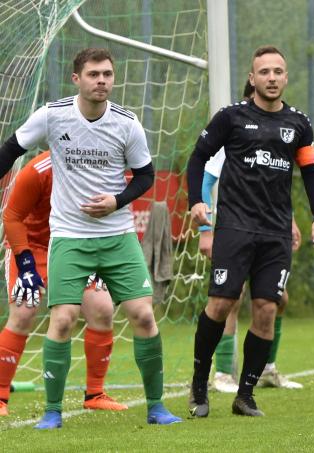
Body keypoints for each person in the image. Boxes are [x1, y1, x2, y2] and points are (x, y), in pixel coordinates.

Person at [0, 48, 182, 428]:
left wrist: (117, 201)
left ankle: (156, 407)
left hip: (118, 237)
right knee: (61, 320)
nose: (102, 81)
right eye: (94, 74)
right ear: (77, 79)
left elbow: (146, 177)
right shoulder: (53, 117)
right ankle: (51, 413)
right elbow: (10, 150)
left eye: (108, 74)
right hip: (69, 238)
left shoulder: (127, 124)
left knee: (144, 315)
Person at [186, 45, 314, 418]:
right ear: (252, 78)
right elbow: (198, 157)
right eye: (264, 72)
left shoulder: (298, 124)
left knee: (266, 308)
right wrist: (195, 203)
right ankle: (200, 383)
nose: (271, 78)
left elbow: (311, 173)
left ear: (285, 77)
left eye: (278, 72)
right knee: (221, 304)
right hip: (234, 227)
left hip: (276, 232)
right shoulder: (231, 117)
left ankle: (245, 395)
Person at [0, 151, 130, 417]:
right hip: (30, 249)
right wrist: (25, 264)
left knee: (102, 308)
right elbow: (11, 218)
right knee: (24, 312)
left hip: (73, 248)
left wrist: (99, 256)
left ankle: (95, 394)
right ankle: (0, 396)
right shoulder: (38, 170)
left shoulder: (99, 167)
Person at [201, 78, 304, 393]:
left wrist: (292, 221)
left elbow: (274, 189)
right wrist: (206, 229)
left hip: (269, 229)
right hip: (233, 228)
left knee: (278, 300)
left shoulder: (279, 136)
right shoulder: (233, 134)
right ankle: (220, 374)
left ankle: (266, 368)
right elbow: (206, 182)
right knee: (230, 300)